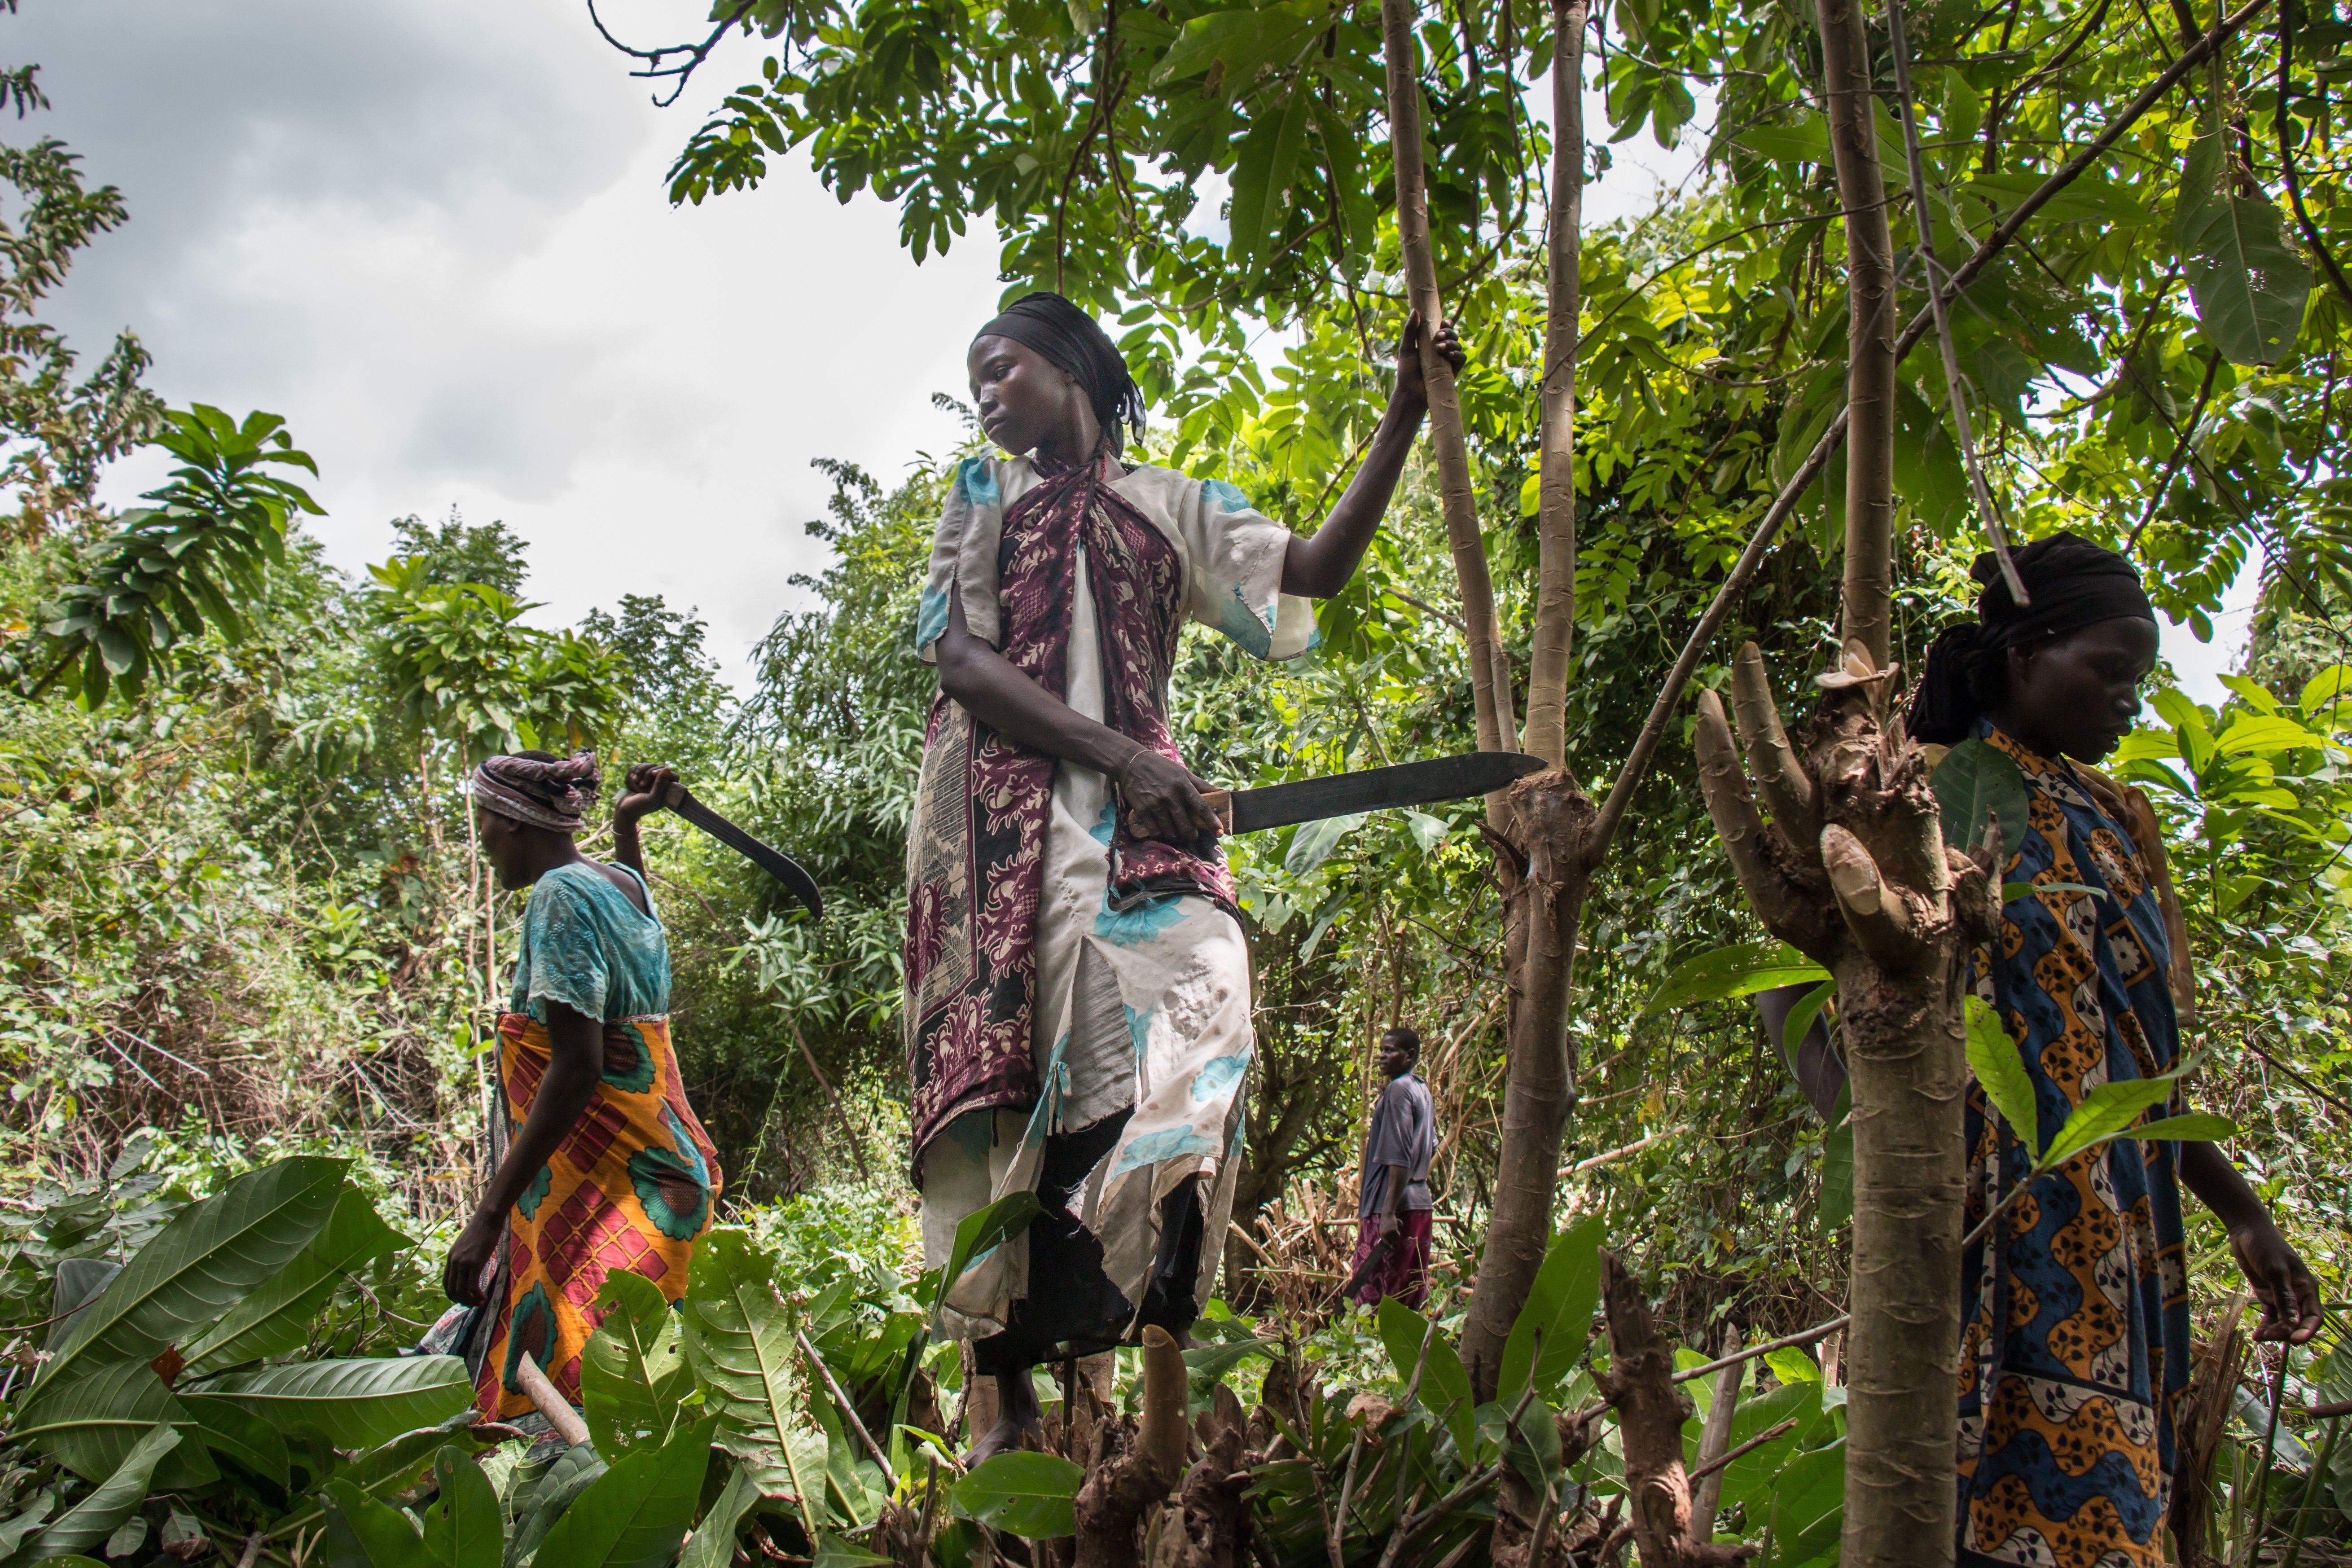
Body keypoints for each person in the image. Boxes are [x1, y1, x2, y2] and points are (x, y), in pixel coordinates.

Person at [905, 290, 1461, 1460]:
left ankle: (1143, 1291)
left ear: (1068, 363)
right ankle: (1008, 1393)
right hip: (1011, 836)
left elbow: (1308, 574)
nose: (987, 397)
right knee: (1018, 1098)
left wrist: (1407, 409)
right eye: (974, 384)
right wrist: (1112, 752)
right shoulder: (981, 496)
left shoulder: (1173, 506)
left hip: (1149, 825)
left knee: (1205, 1004)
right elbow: (959, 657)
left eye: (1001, 368)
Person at [1766, 531, 2320, 1567]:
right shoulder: (1916, 801)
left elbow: (2130, 1069)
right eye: (2108, 673)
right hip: (1974, 1229)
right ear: (2025, 657)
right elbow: (1795, 990)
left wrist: (2242, 1214)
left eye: (2140, 682)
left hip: (2114, 1245)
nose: (2127, 701)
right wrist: (1889, 1152)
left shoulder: (2112, 823)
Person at [441, 751, 723, 1422]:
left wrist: (486, 1219)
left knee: (583, 1402)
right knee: (653, 1397)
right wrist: (629, 824)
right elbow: (628, 972)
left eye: (483, 821)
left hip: (611, 1200)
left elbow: (577, 1065)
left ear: (511, 822)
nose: (481, 841)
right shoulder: (621, 883)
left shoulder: (558, 896)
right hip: (665, 1177)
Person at [1348, 1026, 1437, 1309]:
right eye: (1382, 1050)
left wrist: (1387, 1214)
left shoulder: (1398, 1090)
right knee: (1408, 1296)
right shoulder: (1421, 1090)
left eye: (1391, 1051)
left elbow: (1399, 1156)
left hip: (1392, 1209)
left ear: (1410, 1056)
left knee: (1371, 1300)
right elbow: (1431, 1144)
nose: (1383, 1057)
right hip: (1420, 1205)